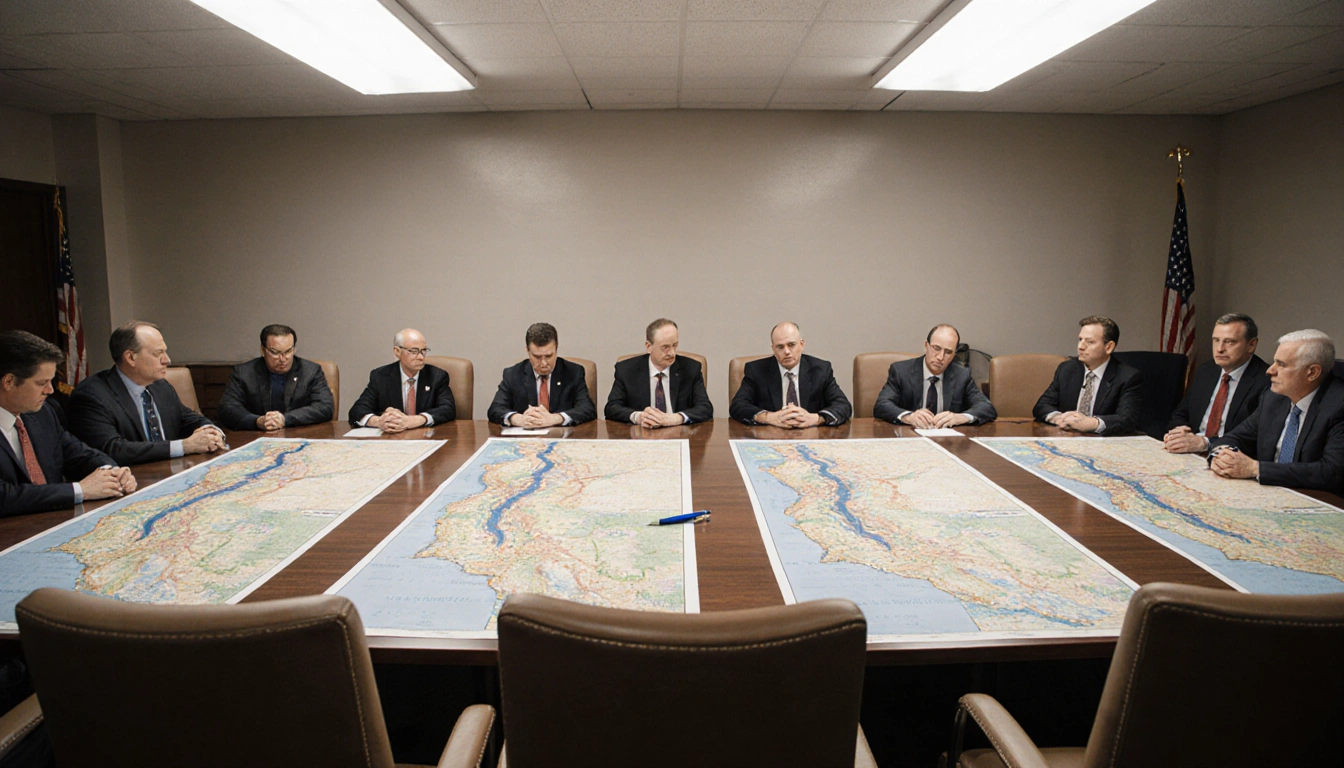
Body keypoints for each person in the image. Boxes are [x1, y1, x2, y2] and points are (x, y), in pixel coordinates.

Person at [1, 330, 135, 516]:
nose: (50, 390)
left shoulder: (43, 413)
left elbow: (77, 453)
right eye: (41, 383)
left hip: (53, 522)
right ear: (8, 381)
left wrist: (112, 473)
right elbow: (4, 497)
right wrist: (80, 490)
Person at [68, 321, 225, 465]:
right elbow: (113, 449)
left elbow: (187, 418)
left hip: (170, 473)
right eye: (158, 354)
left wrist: (211, 432)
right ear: (131, 357)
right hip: (131, 482)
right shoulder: (91, 396)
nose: (167, 360)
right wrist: (184, 446)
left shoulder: (160, 385)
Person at [1209, 329, 1343, 494]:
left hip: (1318, 501)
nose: (1270, 370)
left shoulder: (1338, 405)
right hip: (1269, 494)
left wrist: (1256, 469)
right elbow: (1235, 437)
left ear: (1312, 372)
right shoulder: (1274, 398)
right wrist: (1221, 456)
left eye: (1282, 364)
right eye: (1274, 362)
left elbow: (1332, 472)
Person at [1164, 313, 1271, 453]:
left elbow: (1255, 437)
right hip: (1191, 452)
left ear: (1251, 345)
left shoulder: (1266, 380)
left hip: (1229, 456)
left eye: (1230, 342)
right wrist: (1180, 432)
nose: (1219, 348)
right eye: (1216, 340)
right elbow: (1181, 413)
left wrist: (1206, 443)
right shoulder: (1206, 371)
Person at [1034, 316, 1143, 435]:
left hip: (1103, 444)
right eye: (1080, 339)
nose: (1080, 346)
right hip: (1068, 439)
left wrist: (1091, 423)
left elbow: (1127, 420)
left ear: (1109, 347)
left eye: (1090, 342)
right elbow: (1041, 405)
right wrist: (1059, 418)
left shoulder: (1127, 377)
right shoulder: (1067, 369)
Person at [729, 322, 850, 427]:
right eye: (780, 347)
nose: (786, 351)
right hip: (771, 438)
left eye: (791, 345)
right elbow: (737, 406)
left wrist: (816, 419)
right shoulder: (756, 370)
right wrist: (769, 417)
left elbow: (843, 406)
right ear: (773, 349)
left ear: (802, 344)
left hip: (811, 437)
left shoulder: (821, 370)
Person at [873, 324, 995, 427]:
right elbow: (882, 405)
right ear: (926, 345)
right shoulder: (901, 371)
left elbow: (986, 407)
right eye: (936, 348)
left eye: (948, 352)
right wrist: (908, 417)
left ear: (954, 354)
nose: (940, 357)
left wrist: (961, 417)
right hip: (910, 438)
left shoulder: (961, 375)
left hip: (948, 442)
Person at [216, 324, 334, 431]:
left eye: (288, 351)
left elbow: (325, 407)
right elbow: (227, 409)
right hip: (256, 437)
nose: (283, 359)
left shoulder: (310, 371)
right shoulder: (243, 373)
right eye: (275, 353)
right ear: (263, 350)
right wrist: (257, 421)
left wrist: (285, 419)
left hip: (299, 435)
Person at [605, 318, 712, 428]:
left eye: (675, 345)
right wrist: (638, 417)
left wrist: (676, 418)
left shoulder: (691, 368)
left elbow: (705, 408)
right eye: (665, 347)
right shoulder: (626, 370)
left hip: (678, 433)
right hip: (642, 434)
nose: (672, 353)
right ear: (649, 347)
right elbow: (611, 408)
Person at [488, 323, 596, 427]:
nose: (543, 363)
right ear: (528, 351)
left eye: (549, 356)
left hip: (561, 438)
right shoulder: (513, 374)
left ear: (556, 349)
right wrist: (518, 419)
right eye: (537, 357)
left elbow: (587, 409)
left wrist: (555, 418)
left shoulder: (573, 373)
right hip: (525, 440)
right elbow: (495, 409)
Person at [349, 328, 456, 431]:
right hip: (391, 439)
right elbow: (357, 410)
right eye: (414, 351)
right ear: (397, 351)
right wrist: (380, 421)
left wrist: (415, 420)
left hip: (423, 436)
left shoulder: (437, 376)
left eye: (423, 351)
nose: (421, 357)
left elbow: (448, 409)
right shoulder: (380, 376)